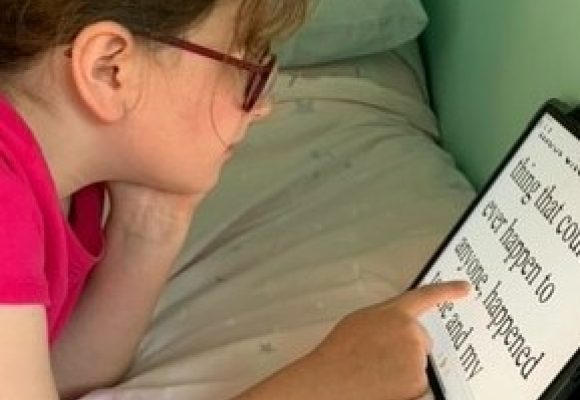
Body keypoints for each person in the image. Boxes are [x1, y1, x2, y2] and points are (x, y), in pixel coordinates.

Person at [0, 0, 470, 399]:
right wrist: (322, 384)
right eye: (246, 68)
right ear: (109, 69)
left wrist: (152, 226)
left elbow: (57, 372)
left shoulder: (60, 180)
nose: (264, 104)